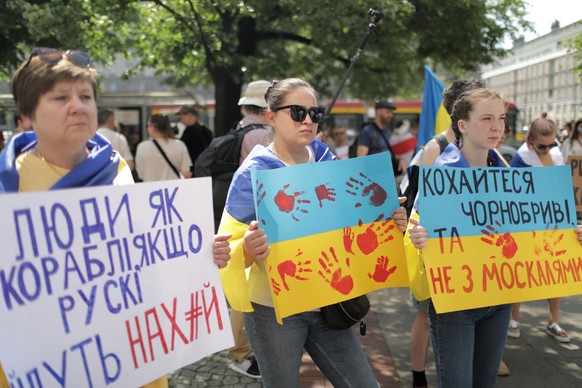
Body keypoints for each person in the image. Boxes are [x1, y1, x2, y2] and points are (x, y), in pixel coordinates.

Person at [0, 46, 232, 388]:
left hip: (129, 355)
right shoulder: (10, 183)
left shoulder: (117, 167)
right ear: (28, 113)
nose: (78, 106)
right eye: (60, 97)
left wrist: (198, 255)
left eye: (85, 96)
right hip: (53, 364)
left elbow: (143, 254)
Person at [218, 78, 408, 387]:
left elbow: (347, 222)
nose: (308, 120)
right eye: (297, 112)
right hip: (273, 312)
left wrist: (386, 220)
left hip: (328, 299)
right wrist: (249, 249)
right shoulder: (253, 173)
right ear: (271, 116)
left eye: (315, 113)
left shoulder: (323, 156)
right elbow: (228, 252)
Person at [408, 88, 511, 387]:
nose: (497, 127)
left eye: (502, 118)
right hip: (455, 302)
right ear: (462, 125)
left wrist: (569, 234)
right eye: (487, 118)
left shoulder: (507, 170)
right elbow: (416, 225)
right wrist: (418, 236)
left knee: (485, 382)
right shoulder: (441, 174)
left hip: (499, 296)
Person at [509, 113, 570, 343]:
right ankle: (514, 319)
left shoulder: (556, 155)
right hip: (526, 225)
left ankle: (553, 321)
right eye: (541, 146)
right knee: (521, 271)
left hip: (554, 224)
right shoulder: (520, 159)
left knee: (556, 272)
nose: (546, 149)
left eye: (551, 144)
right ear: (530, 142)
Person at [227, 79, 274, 379]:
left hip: (235, 213)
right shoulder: (261, 136)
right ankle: (240, 352)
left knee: (238, 287)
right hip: (255, 216)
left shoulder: (238, 129)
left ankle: (238, 350)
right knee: (245, 291)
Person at [135, 114, 192, 181]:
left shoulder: (142, 147)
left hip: (150, 189)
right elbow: (187, 173)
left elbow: (140, 173)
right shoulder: (179, 145)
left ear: (153, 128)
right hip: (174, 189)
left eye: (148, 126)